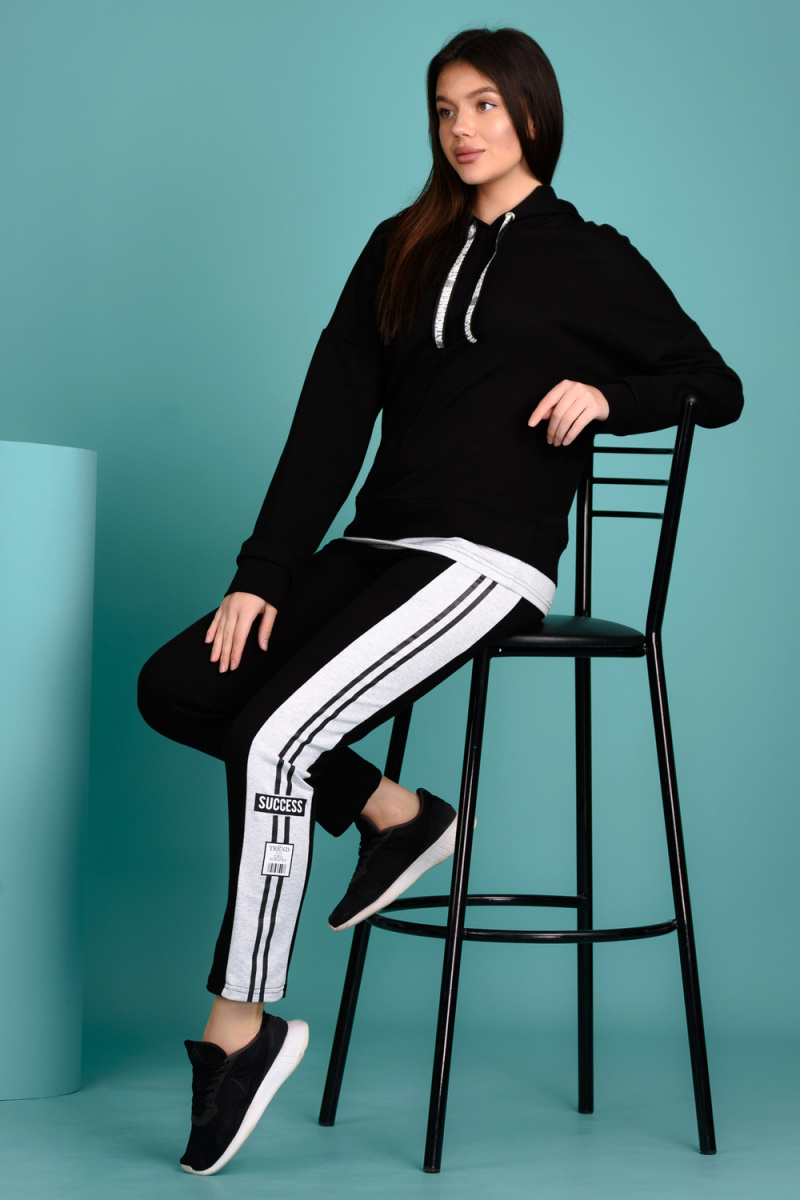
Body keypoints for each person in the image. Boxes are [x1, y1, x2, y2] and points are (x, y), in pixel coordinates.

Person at [137, 26, 743, 1175]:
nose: (462, 128)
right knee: (176, 685)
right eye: (444, 109)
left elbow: (714, 386)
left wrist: (607, 395)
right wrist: (264, 570)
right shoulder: (399, 246)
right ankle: (392, 814)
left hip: (486, 558)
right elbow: (330, 419)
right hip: (378, 541)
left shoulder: (587, 257)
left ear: (531, 116)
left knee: (272, 741)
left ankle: (240, 1028)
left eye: (484, 106)